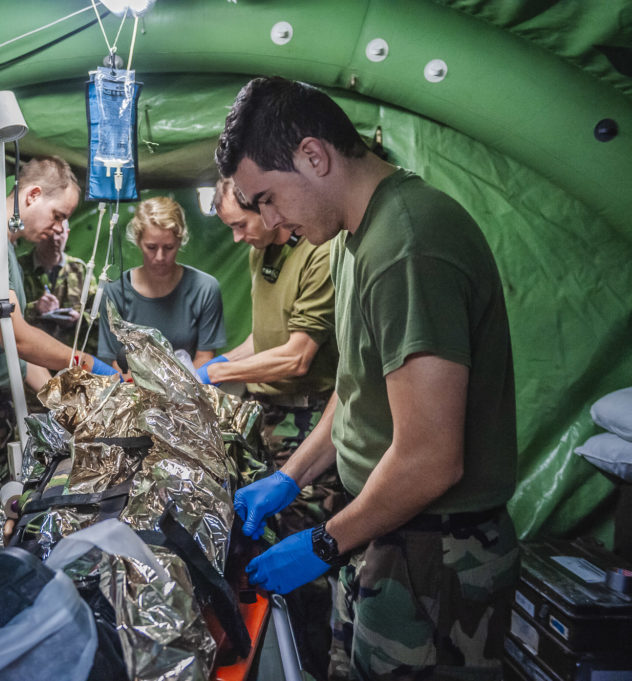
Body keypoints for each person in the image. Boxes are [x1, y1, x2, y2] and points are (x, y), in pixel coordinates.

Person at [217, 77, 518, 680]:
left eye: (268, 198)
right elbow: (357, 392)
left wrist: (325, 542)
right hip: (384, 531)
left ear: (313, 156)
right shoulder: (357, 239)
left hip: (435, 553)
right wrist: (289, 476)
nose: (270, 220)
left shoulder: (410, 244)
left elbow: (432, 457)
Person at [0, 156, 115, 525]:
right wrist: (88, 364)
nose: (60, 226)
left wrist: (66, 409)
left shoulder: (2, 247)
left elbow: (15, 357)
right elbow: (15, 338)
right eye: (59, 214)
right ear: (32, 195)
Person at [207, 178, 344, 679]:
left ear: (267, 210)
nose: (238, 237)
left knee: (307, 550)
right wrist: (219, 363)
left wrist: (214, 373)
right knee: (268, 542)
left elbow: (296, 355)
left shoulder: (316, 255)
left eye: (241, 225)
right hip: (269, 419)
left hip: (309, 420)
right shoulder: (260, 252)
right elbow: (264, 339)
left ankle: (316, 665)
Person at [97, 196, 225, 372]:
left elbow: (204, 358)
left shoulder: (204, 288)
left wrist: (179, 394)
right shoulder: (115, 291)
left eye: (169, 247)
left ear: (180, 241)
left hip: (188, 391)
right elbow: (115, 363)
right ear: (138, 241)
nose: (160, 257)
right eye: (151, 247)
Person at [17, 219, 97, 353]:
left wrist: (79, 319)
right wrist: (35, 308)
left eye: (59, 233)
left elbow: (96, 312)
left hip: (69, 355)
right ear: (37, 235)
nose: (54, 239)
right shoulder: (19, 267)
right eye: (49, 234)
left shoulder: (79, 269)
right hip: (31, 354)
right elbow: (5, 312)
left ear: (67, 233)